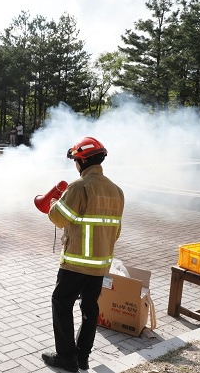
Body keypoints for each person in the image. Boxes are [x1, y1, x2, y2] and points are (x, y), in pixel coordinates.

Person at [41, 137, 124, 372]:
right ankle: (83, 356)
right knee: (90, 307)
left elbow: (58, 218)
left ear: (82, 161)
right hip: (100, 264)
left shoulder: (79, 187)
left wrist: (55, 202)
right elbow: (115, 231)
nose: (75, 165)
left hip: (76, 264)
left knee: (61, 302)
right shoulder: (116, 191)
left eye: (76, 160)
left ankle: (66, 357)